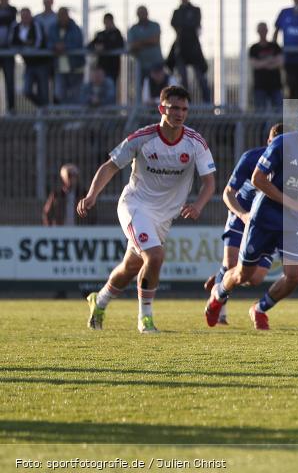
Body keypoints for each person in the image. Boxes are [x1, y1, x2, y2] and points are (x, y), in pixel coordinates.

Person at [79, 86, 216, 333]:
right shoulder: (142, 138)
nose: (180, 113)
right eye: (174, 107)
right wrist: (92, 195)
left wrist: (198, 205)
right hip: (135, 206)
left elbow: (210, 182)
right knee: (155, 256)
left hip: (164, 216)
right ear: (161, 108)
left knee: (131, 267)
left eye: (184, 109)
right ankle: (145, 319)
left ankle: (98, 301)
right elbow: (110, 166)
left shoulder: (195, 143)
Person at [205, 100, 298, 330]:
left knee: (294, 276)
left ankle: (260, 309)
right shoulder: (282, 143)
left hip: (291, 223)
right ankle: (219, 294)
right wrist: (290, 201)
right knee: (244, 275)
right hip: (263, 218)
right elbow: (257, 179)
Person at [202, 124, 284, 326]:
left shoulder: (293, 167)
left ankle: (221, 277)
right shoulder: (251, 158)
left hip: (266, 223)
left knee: (254, 279)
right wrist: (242, 214)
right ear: (269, 143)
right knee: (231, 264)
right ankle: (219, 308)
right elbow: (228, 193)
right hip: (241, 216)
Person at [168, 0, 210, 103]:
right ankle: (185, 104)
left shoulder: (195, 10)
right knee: (183, 79)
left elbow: (194, 24)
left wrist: (185, 26)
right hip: (181, 48)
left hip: (194, 49)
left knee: (200, 77)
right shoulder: (177, 12)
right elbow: (175, 25)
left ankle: (208, 104)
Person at [10, 7, 51, 108]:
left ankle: (44, 117)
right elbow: (12, 42)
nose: (25, 18)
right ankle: (43, 108)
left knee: (43, 92)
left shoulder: (36, 25)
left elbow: (38, 42)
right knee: (26, 90)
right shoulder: (16, 27)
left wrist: (26, 46)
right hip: (28, 64)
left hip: (41, 64)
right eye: (23, 16)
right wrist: (25, 45)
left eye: (27, 16)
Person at [47, 7, 85, 105]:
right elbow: (48, 43)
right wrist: (55, 47)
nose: (62, 18)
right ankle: (63, 119)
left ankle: (75, 119)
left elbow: (77, 44)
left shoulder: (75, 28)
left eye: (64, 15)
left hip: (75, 68)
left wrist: (65, 47)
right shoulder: (53, 28)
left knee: (75, 96)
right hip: (59, 68)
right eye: (60, 16)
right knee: (59, 95)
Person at [127, 6, 164, 102]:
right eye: (140, 13)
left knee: (159, 90)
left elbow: (155, 40)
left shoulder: (155, 25)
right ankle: (145, 113)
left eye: (143, 13)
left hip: (156, 64)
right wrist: (147, 42)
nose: (142, 15)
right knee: (143, 90)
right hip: (142, 66)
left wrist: (139, 43)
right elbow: (131, 46)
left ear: (147, 13)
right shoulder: (133, 29)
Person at [249, 22, 283, 111]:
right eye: (261, 30)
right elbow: (255, 65)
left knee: (279, 112)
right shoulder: (254, 48)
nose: (263, 32)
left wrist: (262, 63)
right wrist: (269, 61)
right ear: (257, 31)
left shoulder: (275, 46)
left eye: (264, 29)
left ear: (267, 31)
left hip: (275, 85)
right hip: (260, 86)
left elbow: (279, 62)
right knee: (260, 113)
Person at [87, 13, 125, 84]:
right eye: (106, 21)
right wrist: (96, 47)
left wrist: (104, 47)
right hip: (101, 68)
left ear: (112, 21)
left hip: (113, 67)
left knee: (110, 87)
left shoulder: (117, 33)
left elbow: (120, 45)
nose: (107, 23)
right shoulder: (100, 34)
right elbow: (90, 45)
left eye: (109, 21)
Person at [0, 0, 18, 113]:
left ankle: (11, 109)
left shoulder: (12, 9)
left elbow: (11, 21)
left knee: (10, 81)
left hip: (8, 52)